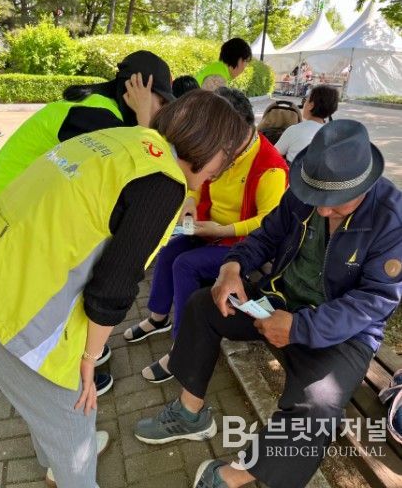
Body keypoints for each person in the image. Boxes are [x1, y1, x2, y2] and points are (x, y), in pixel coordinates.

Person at [0, 89, 250, 488]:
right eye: (226, 156)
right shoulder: (162, 184)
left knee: (47, 410)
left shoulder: (124, 139)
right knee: (77, 407)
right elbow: (112, 288)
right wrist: (90, 358)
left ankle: (57, 460)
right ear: (208, 145)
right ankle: (71, 469)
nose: (225, 168)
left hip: (1, 272)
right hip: (21, 314)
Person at [134, 119, 402, 488]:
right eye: (317, 200)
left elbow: (373, 302)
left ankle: (235, 475)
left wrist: (299, 327)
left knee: (317, 406)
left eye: (336, 204)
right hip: (279, 301)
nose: (323, 211)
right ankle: (189, 413)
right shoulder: (304, 191)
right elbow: (266, 236)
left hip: (344, 334)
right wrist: (232, 266)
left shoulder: (392, 219)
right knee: (203, 304)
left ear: (365, 186)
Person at [124, 88, 288, 383]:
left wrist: (222, 229)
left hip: (244, 245)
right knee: (171, 249)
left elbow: (269, 224)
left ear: (238, 129)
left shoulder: (270, 167)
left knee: (185, 264)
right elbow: (198, 183)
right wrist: (190, 202)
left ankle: (182, 348)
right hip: (210, 231)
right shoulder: (222, 149)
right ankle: (158, 317)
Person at [0, 50, 174, 206]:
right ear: (136, 89)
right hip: (0, 210)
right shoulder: (95, 116)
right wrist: (144, 117)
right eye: (162, 102)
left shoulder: (97, 106)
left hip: (9, 206)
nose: (163, 112)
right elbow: (144, 180)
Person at [275, 84, 339, 164]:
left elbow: (274, 154)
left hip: (294, 171)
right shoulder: (334, 136)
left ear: (311, 105)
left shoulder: (294, 130)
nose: (304, 103)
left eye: (306, 100)